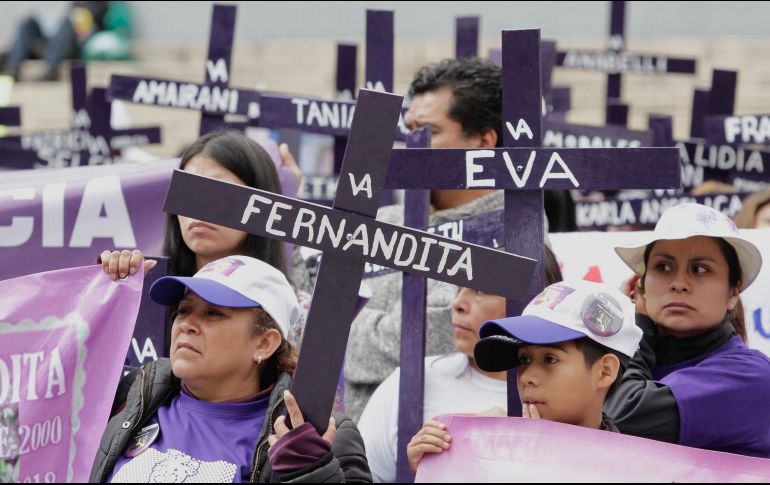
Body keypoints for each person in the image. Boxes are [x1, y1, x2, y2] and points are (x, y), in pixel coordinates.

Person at [90, 255, 371, 483]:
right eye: (184, 310)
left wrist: (312, 475)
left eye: (214, 313)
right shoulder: (134, 395)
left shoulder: (318, 434)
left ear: (265, 343)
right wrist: (102, 292)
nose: (187, 324)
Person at [358, 248, 563, 482]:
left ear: (536, 300)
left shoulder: (569, 396)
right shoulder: (409, 381)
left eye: (481, 290)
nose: (457, 303)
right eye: (459, 287)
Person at [406, 279, 642, 474]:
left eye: (550, 359)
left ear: (605, 371)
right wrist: (436, 471)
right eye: (524, 359)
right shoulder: (493, 452)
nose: (526, 376)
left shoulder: (635, 471)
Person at [606, 202, 770, 457]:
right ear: (641, 285)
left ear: (733, 292)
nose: (679, 283)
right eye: (663, 267)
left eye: (700, 269)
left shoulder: (752, 375)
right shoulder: (622, 357)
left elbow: (620, 417)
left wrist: (635, 328)